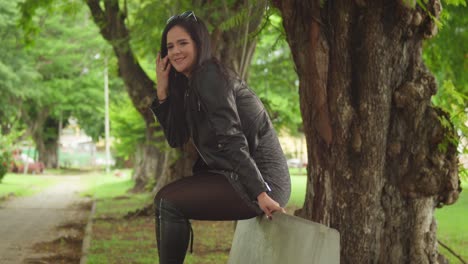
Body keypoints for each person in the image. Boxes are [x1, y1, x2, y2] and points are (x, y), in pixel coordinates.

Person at [150, 11, 291, 264]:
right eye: (170, 46)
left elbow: (231, 138)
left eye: (183, 43)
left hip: (262, 182)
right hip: (237, 176)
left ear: (199, 44)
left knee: (168, 202)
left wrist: (260, 193)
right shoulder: (189, 85)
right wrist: (162, 90)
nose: (175, 51)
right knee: (164, 200)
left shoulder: (209, 75)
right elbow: (176, 137)